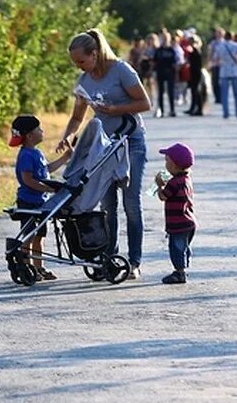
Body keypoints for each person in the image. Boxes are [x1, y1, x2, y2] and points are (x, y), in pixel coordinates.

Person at [57, 29, 152, 280]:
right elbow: (77, 117)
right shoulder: (84, 82)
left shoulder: (121, 70)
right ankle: (109, 257)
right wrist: (68, 135)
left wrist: (114, 109)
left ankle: (134, 261)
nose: (79, 67)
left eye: (81, 61)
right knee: (106, 204)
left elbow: (145, 103)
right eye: (75, 62)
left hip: (130, 141)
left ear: (95, 54)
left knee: (131, 203)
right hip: (104, 148)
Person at [10, 114, 73, 281]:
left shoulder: (36, 152)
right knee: (28, 237)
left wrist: (65, 158)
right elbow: (28, 180)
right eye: (38, 129)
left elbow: (47, 170)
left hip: (40, 203)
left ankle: (39, 267)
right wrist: (48, 189)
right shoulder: (26, 155)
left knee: (39, 237)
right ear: (30, 135)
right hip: (29, 202)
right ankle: (26, 267)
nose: (42, 131)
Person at [154, 142, 196, 284]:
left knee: (176, 248)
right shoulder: (186, 179)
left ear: (174, 165)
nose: (165, 165)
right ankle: (183, 267)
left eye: (167, 161)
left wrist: (159, 184)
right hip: (189, 222)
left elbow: (162, 196)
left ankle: (179, 272)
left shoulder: (174, 183)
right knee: (184, 247)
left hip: (178, 224)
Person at [211, 30, 237, 119]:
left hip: (224, 71)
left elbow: (215, 58)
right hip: (234, 71)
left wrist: (221, 62)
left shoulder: (220, 46)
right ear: (232, 37)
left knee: (224, 94)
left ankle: (226, 113)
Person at [153, 31, 179, 117]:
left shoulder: (171, 50)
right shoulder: (158, 50)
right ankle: (161, 110)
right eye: (162, 38)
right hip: (160, 72)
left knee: (170, 91)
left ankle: (172, 110)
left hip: (170, 72)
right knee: (160, 92)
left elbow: (175, 62)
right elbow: (155, 61)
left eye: (166, 38)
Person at [185, 35, 204, 115]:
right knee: (194, 91)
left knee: (196, 91)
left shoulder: (195, 49)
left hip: (196, 72)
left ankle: (198, 109)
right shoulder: (195, 49)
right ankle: (193, 108)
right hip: (193, 72)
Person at [207, 28, 226, 105]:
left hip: (222, 65)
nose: (218, 34)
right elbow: (210, 53)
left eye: (219, 33)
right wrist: (209, 62)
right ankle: (217, 97)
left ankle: (222, 97)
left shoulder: (225, 43)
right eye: (217, 33)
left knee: (222, 81)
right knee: (214, 81)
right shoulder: (213, 43)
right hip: (214, 64)